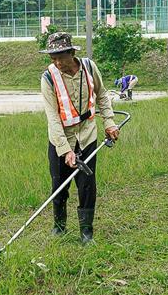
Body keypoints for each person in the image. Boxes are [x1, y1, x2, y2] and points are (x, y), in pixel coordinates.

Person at [40, 32, 120, 244]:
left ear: (72, 53)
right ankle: (59, 226)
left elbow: (102, 95)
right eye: (52, 58)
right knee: (59, 184)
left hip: (86, 134)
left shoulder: (89, 68)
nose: (57, 62)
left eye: (61, 57)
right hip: (61, 138)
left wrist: (109, 122)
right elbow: (53, 118)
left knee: (86, 184)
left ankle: (86, 233)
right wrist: (65, 150)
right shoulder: (48, 78)